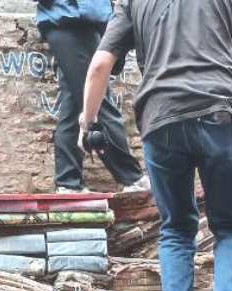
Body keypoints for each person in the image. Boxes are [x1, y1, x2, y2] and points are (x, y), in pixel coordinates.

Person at [79, 0, 232, 291]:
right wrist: (220, 76)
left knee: (177, 228)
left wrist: (88, 121)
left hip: (161, 118)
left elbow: (100, 66)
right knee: (231, 227)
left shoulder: (133, 3)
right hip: (219, 112)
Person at [34, 0, 149, 193]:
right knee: (98, 102)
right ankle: (132, 178)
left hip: (82, 24)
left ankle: (68, 183)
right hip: (69, 23)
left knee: (73, 106)